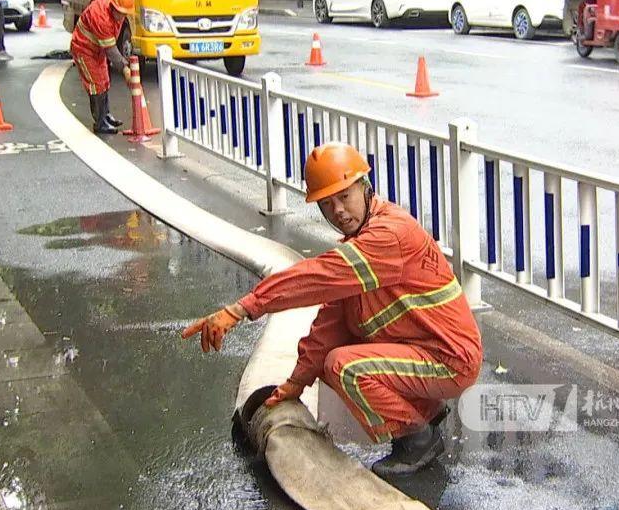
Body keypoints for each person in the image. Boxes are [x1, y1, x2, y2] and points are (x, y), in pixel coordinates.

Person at [181, 143, 483, 477]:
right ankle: (424, 411)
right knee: (334, 352)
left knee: (346, 367)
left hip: (451, 360)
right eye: (327, 203)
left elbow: (315, 278)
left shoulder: (388, 236)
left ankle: (416, 440)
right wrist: (296, 383)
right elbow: (329, 322)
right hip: (424, 349)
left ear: (366, 189)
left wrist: (242, 308)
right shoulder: (359, 247)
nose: (337, 210)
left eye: (344, 196)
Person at [69, 0, 134, 134]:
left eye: (125, 13)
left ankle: (106, 115)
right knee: (96, 83)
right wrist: (125, 69)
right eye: (121, 13)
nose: (123, 16)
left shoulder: (115, 10)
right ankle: (100, 122)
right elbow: (111, 50)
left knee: (104, 80)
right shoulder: (102, 17)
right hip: (83, 48)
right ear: (113, 7)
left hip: (98, 48)